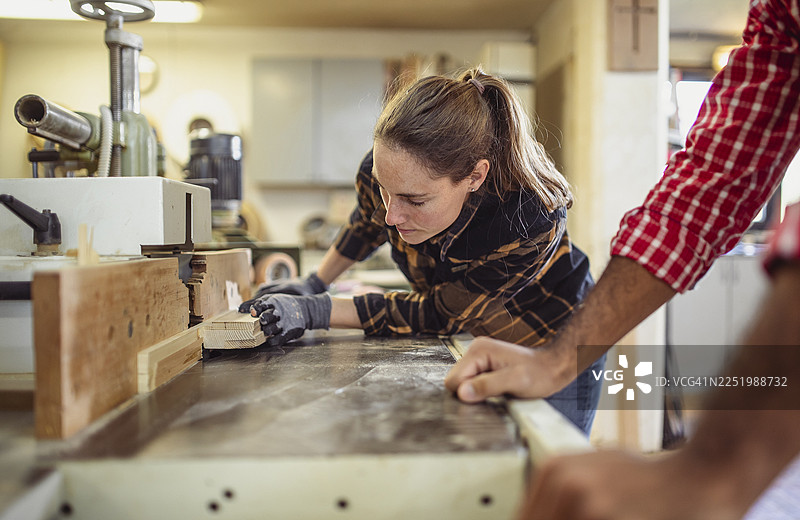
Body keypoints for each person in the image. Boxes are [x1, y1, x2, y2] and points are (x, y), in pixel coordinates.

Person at [444, 0, 800, 517]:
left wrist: (714, 470)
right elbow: (708, 183)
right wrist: (557, 361)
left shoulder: (530, 214)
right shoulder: (776, 17)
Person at [241, 67, 605, 434]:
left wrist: (316, 309)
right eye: (384, 190)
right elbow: (367, 224)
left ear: (475, 177)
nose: (391, 215)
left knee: (550, 452)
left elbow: (440, 312)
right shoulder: (384, 170)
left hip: (555, 340)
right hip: (479, 335)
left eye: (414, 201)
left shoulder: (529, 216)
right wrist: (315, 282)